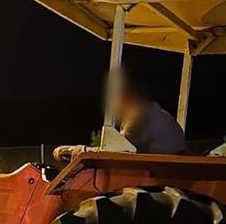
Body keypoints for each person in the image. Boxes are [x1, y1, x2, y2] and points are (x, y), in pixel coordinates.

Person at [53, 66, 186, 162]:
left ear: (124, 96)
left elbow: (111, 153)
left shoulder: (139, 116)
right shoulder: (159, 114)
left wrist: (77, 151)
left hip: (155, 180)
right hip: (165, 175)